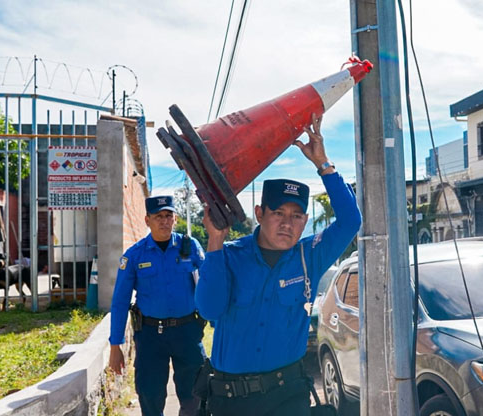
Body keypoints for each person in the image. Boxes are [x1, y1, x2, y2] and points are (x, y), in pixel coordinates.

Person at [196, 113, 361, 416]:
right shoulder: (229, 255)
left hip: (288, 397)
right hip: (230, 400)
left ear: (305, 221)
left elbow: (351, 220)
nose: (287, 224)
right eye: (278, 213)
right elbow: (209, 309)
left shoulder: (309, 255)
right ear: (259, 213)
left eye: (296, 216)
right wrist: (215, 242)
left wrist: (323, 164)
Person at [109, 195, 206, 416]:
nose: (164, 221)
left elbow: (209, 285)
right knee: (150, 396)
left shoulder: (190, 248)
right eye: (158, 216)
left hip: (187, 332)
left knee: (196, 396)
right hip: (151, 335)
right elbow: (120, 301)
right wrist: (116, 345)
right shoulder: (135, 255)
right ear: (147, 220)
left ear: (175, 219)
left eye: (168, 216)